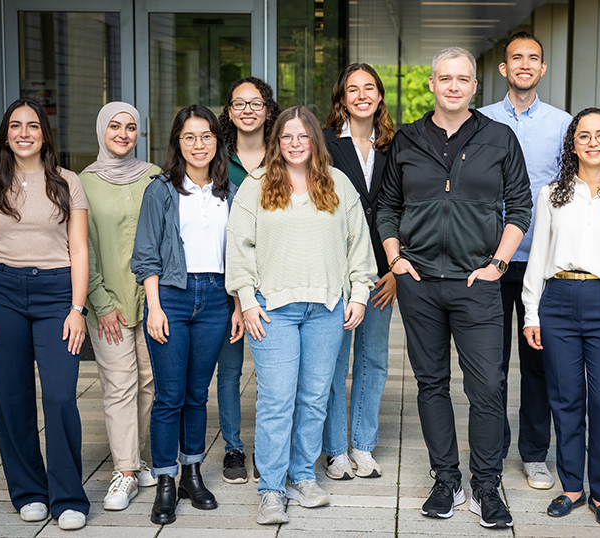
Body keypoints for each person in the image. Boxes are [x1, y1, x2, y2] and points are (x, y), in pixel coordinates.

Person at [376, 46, 531, 529]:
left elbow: (521, 207)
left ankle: (486, 485)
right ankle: (447, 479)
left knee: (488, 386)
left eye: (463, 79)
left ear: (474, 87)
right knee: (431, 384)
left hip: (477, 284)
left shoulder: (499, 138)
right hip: (419, 283)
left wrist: (498, 264)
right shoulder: (405, 140)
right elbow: (386, 207)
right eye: (445, 78)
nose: (454, 86)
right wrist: (395, 259)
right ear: (432, 83)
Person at [226, 106, 374, 525]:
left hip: (326, 308)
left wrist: (359, 294)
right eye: (286, 137)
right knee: (276, 400)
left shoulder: (337, 184)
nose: (295, 143)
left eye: (302, 136)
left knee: (313, 399)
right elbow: (238, 248)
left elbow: (358, 244)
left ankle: (302, 476)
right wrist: (247, 300)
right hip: (272, 311)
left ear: (315, 141)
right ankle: (271, 489)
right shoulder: (256, 186)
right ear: (277, 143)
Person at [0, 97, 90, 530]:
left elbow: (79, 249)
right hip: (2, 294)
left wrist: (78, 309)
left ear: (44, 134)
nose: (24, 133)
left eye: (32, 126)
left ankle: (69, 497)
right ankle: (29, 491)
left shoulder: (67, 182)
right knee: (12, 398)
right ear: (5, 135)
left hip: (57, 293)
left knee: (59, 396)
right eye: (15, 126)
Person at [522, 107, 600, 528]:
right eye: (583, 136)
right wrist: (531, 312)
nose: (592, 143)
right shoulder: (552, 193)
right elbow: (537, 255)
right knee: (566, 399)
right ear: (571, 143)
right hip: (558, 299)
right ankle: (571, 487)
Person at [131, 105, 243, 525]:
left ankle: (192, 474)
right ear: (178, 142)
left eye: (206, 136)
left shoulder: (229, 191)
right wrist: (154, 306)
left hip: (215, 299)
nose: (199, 144)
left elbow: (240, 255)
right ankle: (165, 480)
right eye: (189, 137)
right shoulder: (161, 190)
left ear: (218, 141)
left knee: (198, 394)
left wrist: (235, 305)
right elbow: (145, 255)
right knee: (169, 396)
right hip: (172, 299)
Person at [478, 31, 571, 490]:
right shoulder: (479, 121)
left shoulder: (563, 124)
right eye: (517, 58)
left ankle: (535, 454)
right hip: (491, 262)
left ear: (542, 68)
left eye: (533, 58)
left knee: (538, 363)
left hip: (543, 263)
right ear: (504, 68)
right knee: (490, 363)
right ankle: (491, 452)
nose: (525, 64)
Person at [80, 102, 162, 511]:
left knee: (148, 383)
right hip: (106, 301)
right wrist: (100, 301)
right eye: (115, 126)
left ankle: (137, 455)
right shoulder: (84, 182)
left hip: (150, 300)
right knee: (119, 385)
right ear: (102, 130)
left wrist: (159, 298)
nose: (123, 134)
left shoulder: (155, 176)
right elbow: (84, 248)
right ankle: (125, 472)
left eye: (131, 127)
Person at [321, 63, 397, 481]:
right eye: (354, 89)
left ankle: (362, 446)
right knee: (333, 361)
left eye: (370, 88)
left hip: (382, 274)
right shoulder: (326, 144)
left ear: (380, 96)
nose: (362, 95)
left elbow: (406, 208)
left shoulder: (396, 146)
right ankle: (334, 450)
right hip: (337, 271)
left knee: (373, 360)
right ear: (343, 98)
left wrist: (396, 270)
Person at [216, 77, 281, 484]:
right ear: (229, 111)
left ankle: (268, 447)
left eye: (255, 103)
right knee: (229, 369)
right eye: (238, 103)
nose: (247, 110)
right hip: (228, 278)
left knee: (274, 372)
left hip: (276, 277)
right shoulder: (215, 158)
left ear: (268, 111)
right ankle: (234, 448)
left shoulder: (285, 154)